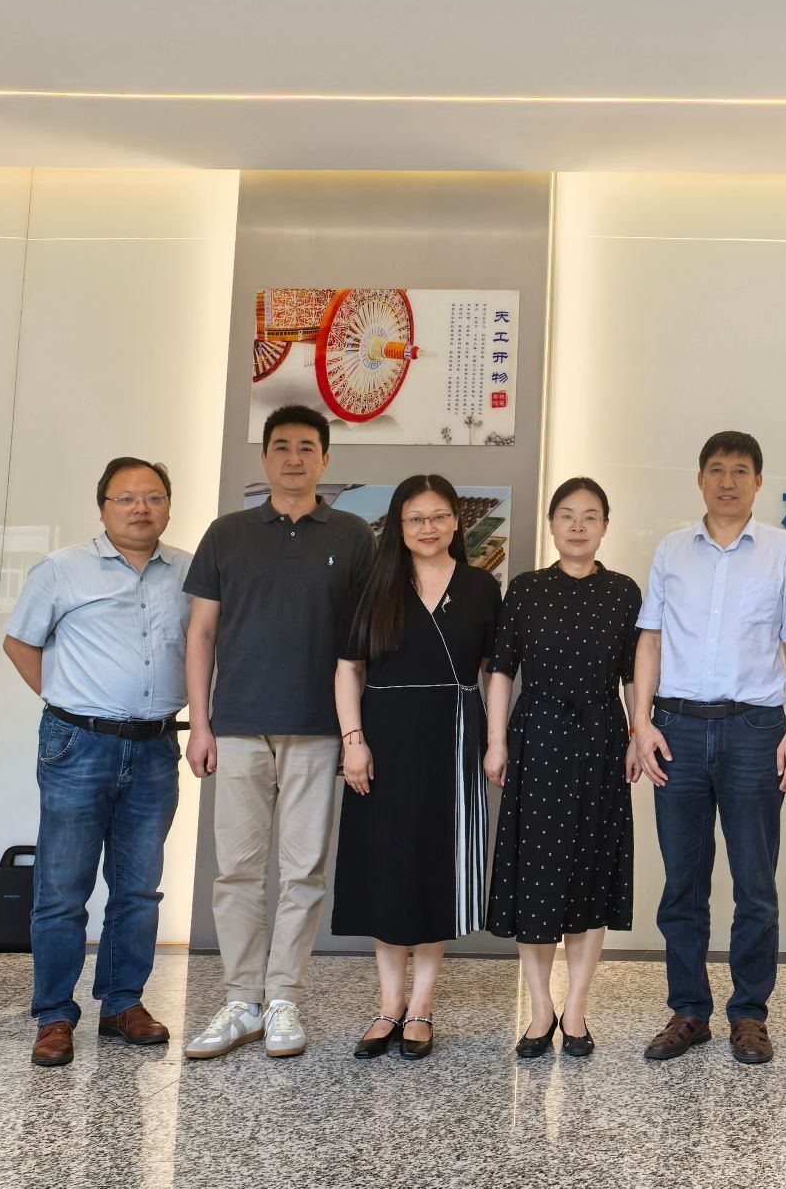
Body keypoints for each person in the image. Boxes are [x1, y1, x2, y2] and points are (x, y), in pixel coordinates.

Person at [181, 405, 375, 1061]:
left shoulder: (353, 536)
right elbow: (201, 632)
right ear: (265, 458)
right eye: (282, 447)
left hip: (318, 730)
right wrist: (200, 724)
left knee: (303, 871)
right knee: (236, 871)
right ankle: (242, 1000)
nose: (294, 458)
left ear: (326, 460)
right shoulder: (226, 533)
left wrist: (354, 732)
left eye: (307, 448)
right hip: (237, 727)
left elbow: (362, 645)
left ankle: (284, 996)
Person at [628, 431, 786, 1066]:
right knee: (682, 882)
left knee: (755, 884)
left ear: (758, 482)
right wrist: (641, 723)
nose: (727, 481)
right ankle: (688, 1010)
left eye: (740, 470)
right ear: (700, 479)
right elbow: (650, 640)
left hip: (755, 730)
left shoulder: (783, 551)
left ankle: (749, 1014)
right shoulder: (672, 550)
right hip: (677, 729)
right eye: (716, 469)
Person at [3, 457, 191, 1067]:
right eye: (126, 498)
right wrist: (67, 702)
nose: (141, 508)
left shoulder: (189, 572)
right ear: (103, 507)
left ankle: (122, 1004)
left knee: (138, 889)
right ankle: (54, 1015)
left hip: (156, 746)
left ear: (168, 505)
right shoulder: (62, 569)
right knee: (63, 889)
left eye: (154, 497)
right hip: (77, 745)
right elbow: (19, 642)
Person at [331, 475, 500, 1061]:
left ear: (457, 521)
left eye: (439, 516)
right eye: (415, 519)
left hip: (453, 739)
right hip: (383, 739)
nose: (428, 528)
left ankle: (422, 1007)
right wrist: (353, 741)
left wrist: (494, 740)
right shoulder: (374, 584)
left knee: (435, 869)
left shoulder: (481, 587)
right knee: (387, 868)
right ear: (398, 527)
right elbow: (348, 668)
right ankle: (388, 1005)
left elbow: (492, 673)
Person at [484, 478, 640, 1060]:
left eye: (590, 516)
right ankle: (540, 1008)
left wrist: (637, 734)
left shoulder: (623, 592)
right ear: (551, 525)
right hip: (538, 738)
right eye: (568, 515)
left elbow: (633, 675)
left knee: (590, 871)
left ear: (605, 527)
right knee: (536, 876)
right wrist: (496, 742)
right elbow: (502, 670)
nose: (578, 526)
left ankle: (576, 1007)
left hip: (601, 739)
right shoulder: (525, 589)